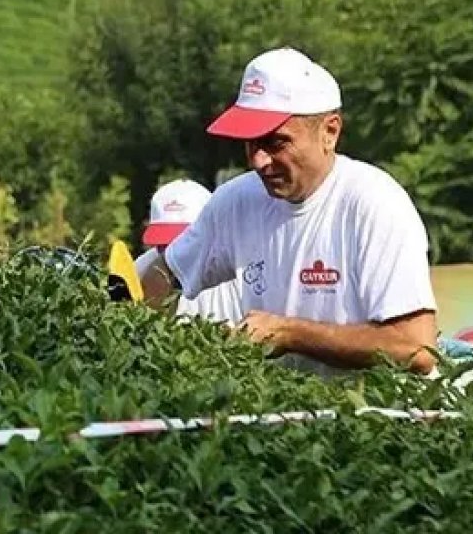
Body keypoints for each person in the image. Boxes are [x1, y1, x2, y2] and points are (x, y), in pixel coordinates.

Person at [136, 47, 439, 376]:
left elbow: (417, 349)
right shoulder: (236, 201)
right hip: (290, 418)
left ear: (330, 132)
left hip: (384, 422)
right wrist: (127, 324)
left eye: (276, 143)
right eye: (251, 143)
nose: (258, 161)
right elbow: (167, 273)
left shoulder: (374, 204)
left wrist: (292, 334)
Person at [134, 178, 241, 324]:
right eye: (164, 244)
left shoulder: (239, 271)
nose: (173, 253)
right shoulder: (141, 268)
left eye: (186, 243)